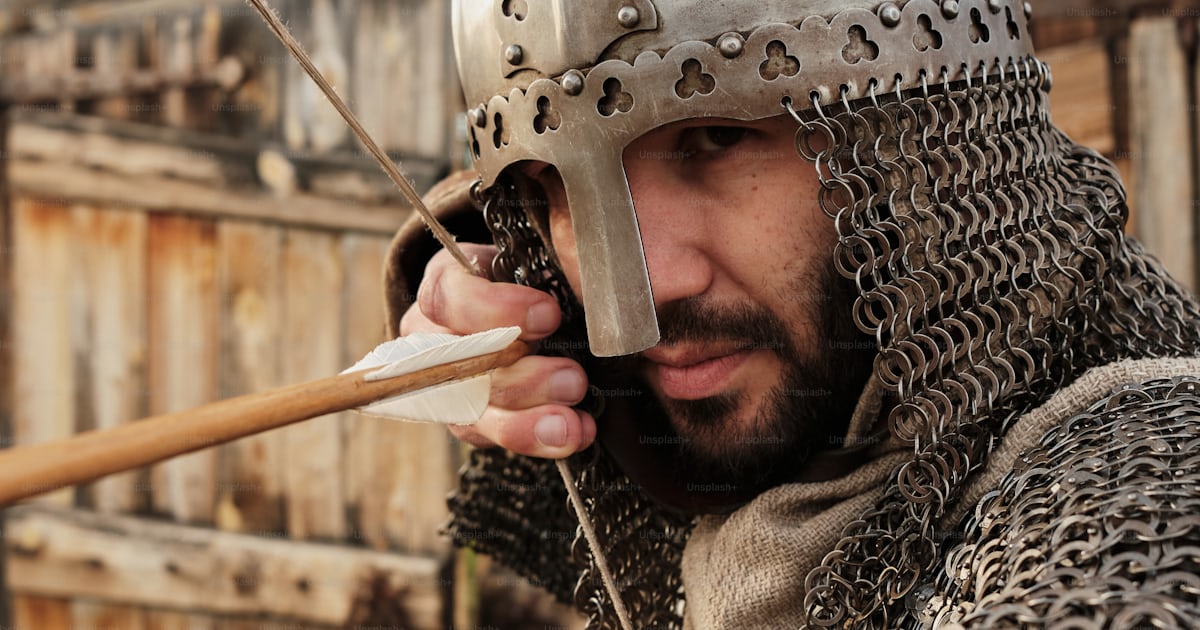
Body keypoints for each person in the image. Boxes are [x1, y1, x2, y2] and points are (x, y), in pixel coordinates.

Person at [387, 0, 1200, 627]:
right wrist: (498, 289)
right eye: (552, 185)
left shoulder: (1136, 518)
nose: (646, 288)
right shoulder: (822, 446)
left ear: (921, 143)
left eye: (715, 137)